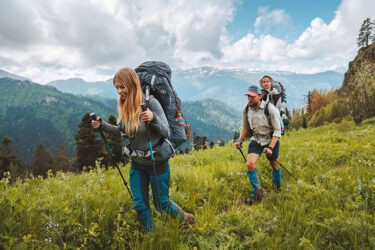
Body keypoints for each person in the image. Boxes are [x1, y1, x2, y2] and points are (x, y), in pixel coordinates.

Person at [92, 67, 194, 232]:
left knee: (162, 204)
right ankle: (150, 236)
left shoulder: (150, 103)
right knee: (140, 205)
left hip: (157, 162)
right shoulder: (125, 105)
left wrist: (153, 119)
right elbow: (121, 131)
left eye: (122, 87)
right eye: (116, 87)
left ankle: (186, 218)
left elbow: (166, 131)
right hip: (137, 164)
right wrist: (102, 125)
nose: (119, 91)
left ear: (131, 84)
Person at [234, 85, 282, 205]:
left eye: (252, 97)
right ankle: (257, 192)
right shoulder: (246, 109)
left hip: (271, 139)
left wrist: (271, 147)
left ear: (259, 96)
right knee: (250, 164)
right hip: (256, 139)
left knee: (274, 164)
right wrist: (240, 139)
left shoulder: (270, 109)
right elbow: (245, 127)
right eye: (248, 96)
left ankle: (277, 189)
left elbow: (277, 130)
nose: (249, 99)